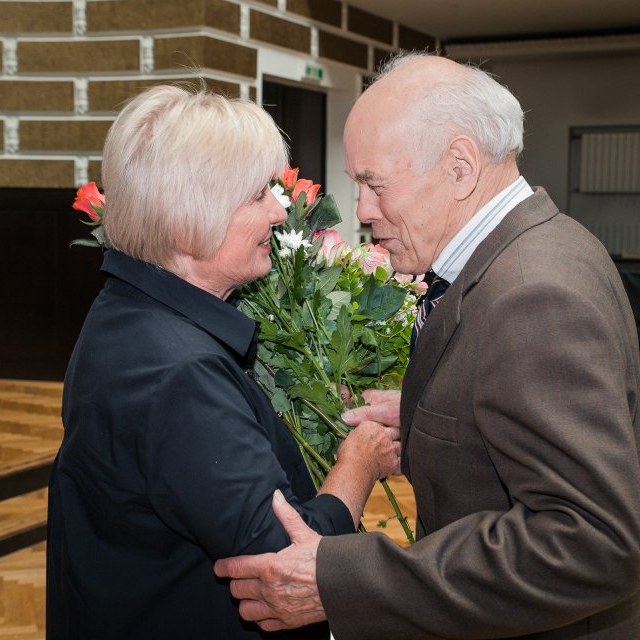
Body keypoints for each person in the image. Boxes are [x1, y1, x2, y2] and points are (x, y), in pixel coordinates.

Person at [214, 53, 640, 639]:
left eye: (374, 184)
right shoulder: (532, 248)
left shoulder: (533, 295)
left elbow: (591, 545)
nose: (362, 212)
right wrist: (427, 414)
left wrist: (340, 580)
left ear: (460, 167)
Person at [45, 85, 401, 639]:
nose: (281, 210)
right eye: (258, 194)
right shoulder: (179, 373)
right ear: (191, 221)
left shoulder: (128, 311)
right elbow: (285, 563)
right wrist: (360, 463)